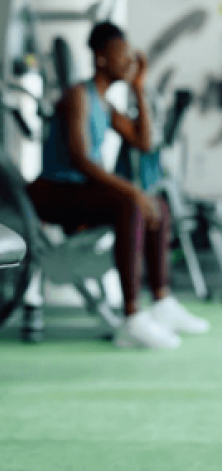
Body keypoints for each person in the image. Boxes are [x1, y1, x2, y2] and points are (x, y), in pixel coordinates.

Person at [27, 21, 210, 350]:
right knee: (130, 203)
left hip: (80, 193)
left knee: (158, 205)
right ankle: (131, 317)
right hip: (53, 194)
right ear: (100, 58)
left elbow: (145, 142)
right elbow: (81, 159)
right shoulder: (78, 97)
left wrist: (138, 87)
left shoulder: (106, 104)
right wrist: (132, 192)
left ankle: (161, 301)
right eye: (121, 54)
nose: (128, 60)